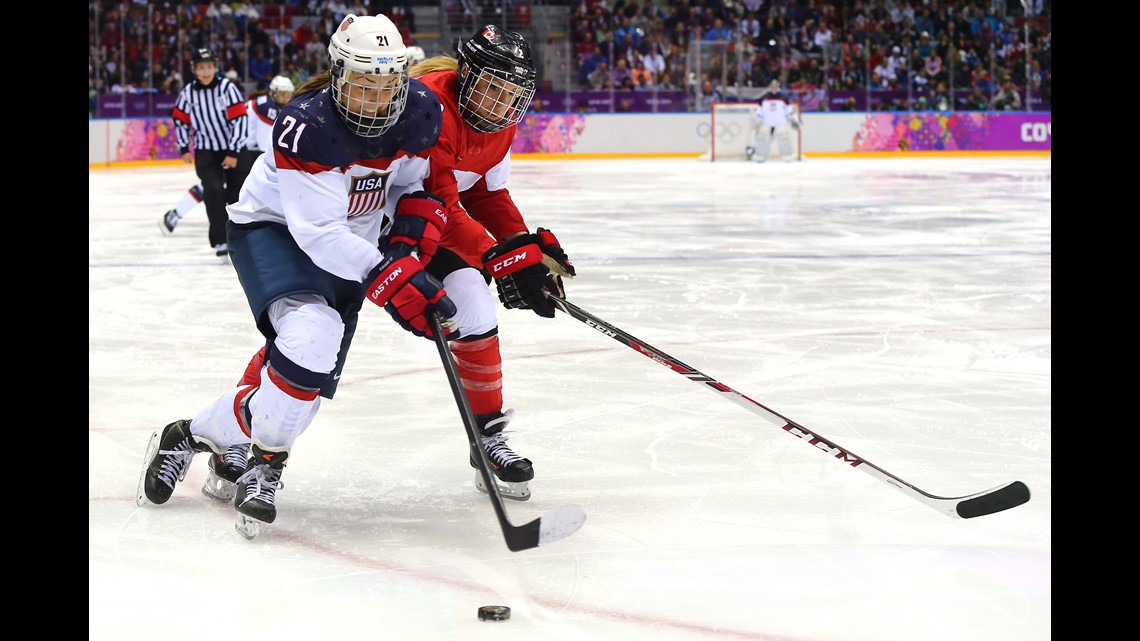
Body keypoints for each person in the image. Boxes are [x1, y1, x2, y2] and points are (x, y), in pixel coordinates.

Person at [137, 14, 457, 538]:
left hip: (352, 241)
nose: (376, 98)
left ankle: (190, 436)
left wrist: (406, 248)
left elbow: (411, 188)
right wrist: (392, 275)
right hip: (276, 231)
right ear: (337, 74)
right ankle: (265, 464)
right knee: (313, 336)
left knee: (298, 393)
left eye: (386, 83)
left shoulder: (420, 113)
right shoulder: (309, 126)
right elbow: (318, 233)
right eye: (362, 83)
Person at [407, 25, 575, 501]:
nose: (502, 105)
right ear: (467, 76)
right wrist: (503, 258)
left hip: (433, 227)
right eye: (493, 90)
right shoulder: (428, 109)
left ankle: (487, 437)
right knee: (313, 330)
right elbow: (440, 200)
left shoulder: (499, 124)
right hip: (379, 227)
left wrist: (526, 247)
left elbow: (488, 194)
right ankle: (247, 438)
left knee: (477, 309)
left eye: (511, 95)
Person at [160, 76, 295, 237]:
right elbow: (264, 142)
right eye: (282, 94)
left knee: (212, 186)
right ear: (273, 93)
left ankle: (176, 214)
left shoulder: (266, 102)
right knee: (218, 187)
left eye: (288, 94)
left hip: (237, 148)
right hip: (241, 151)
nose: (285, 98)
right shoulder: (268, 108)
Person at [169, 47, 253, 257]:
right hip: (206, 150)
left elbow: (240, 119)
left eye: (208, 66)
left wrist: (233, 152)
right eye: (200, 67)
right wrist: (183, 146)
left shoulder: (227, 88)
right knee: (213, 191)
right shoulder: (188, 92)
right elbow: (180, 119)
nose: (205, 71)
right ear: (194, 70)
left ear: (215, 67)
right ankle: (220, 241)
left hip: (233, 147)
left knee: (238, 194)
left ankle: (239, 237)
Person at [746, 79, 800, 163]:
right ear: (770, 87)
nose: (774, 88)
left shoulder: (784, 98)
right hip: (766, 122)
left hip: (780, 122)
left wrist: (794, 119)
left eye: (776, 86)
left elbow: (789, 110)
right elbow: (759, 111)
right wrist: (756, 120)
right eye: (772, 86)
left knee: (784, 137)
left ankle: (787, 156)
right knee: (762, 138)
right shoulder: (764, 97)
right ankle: (760, 156)